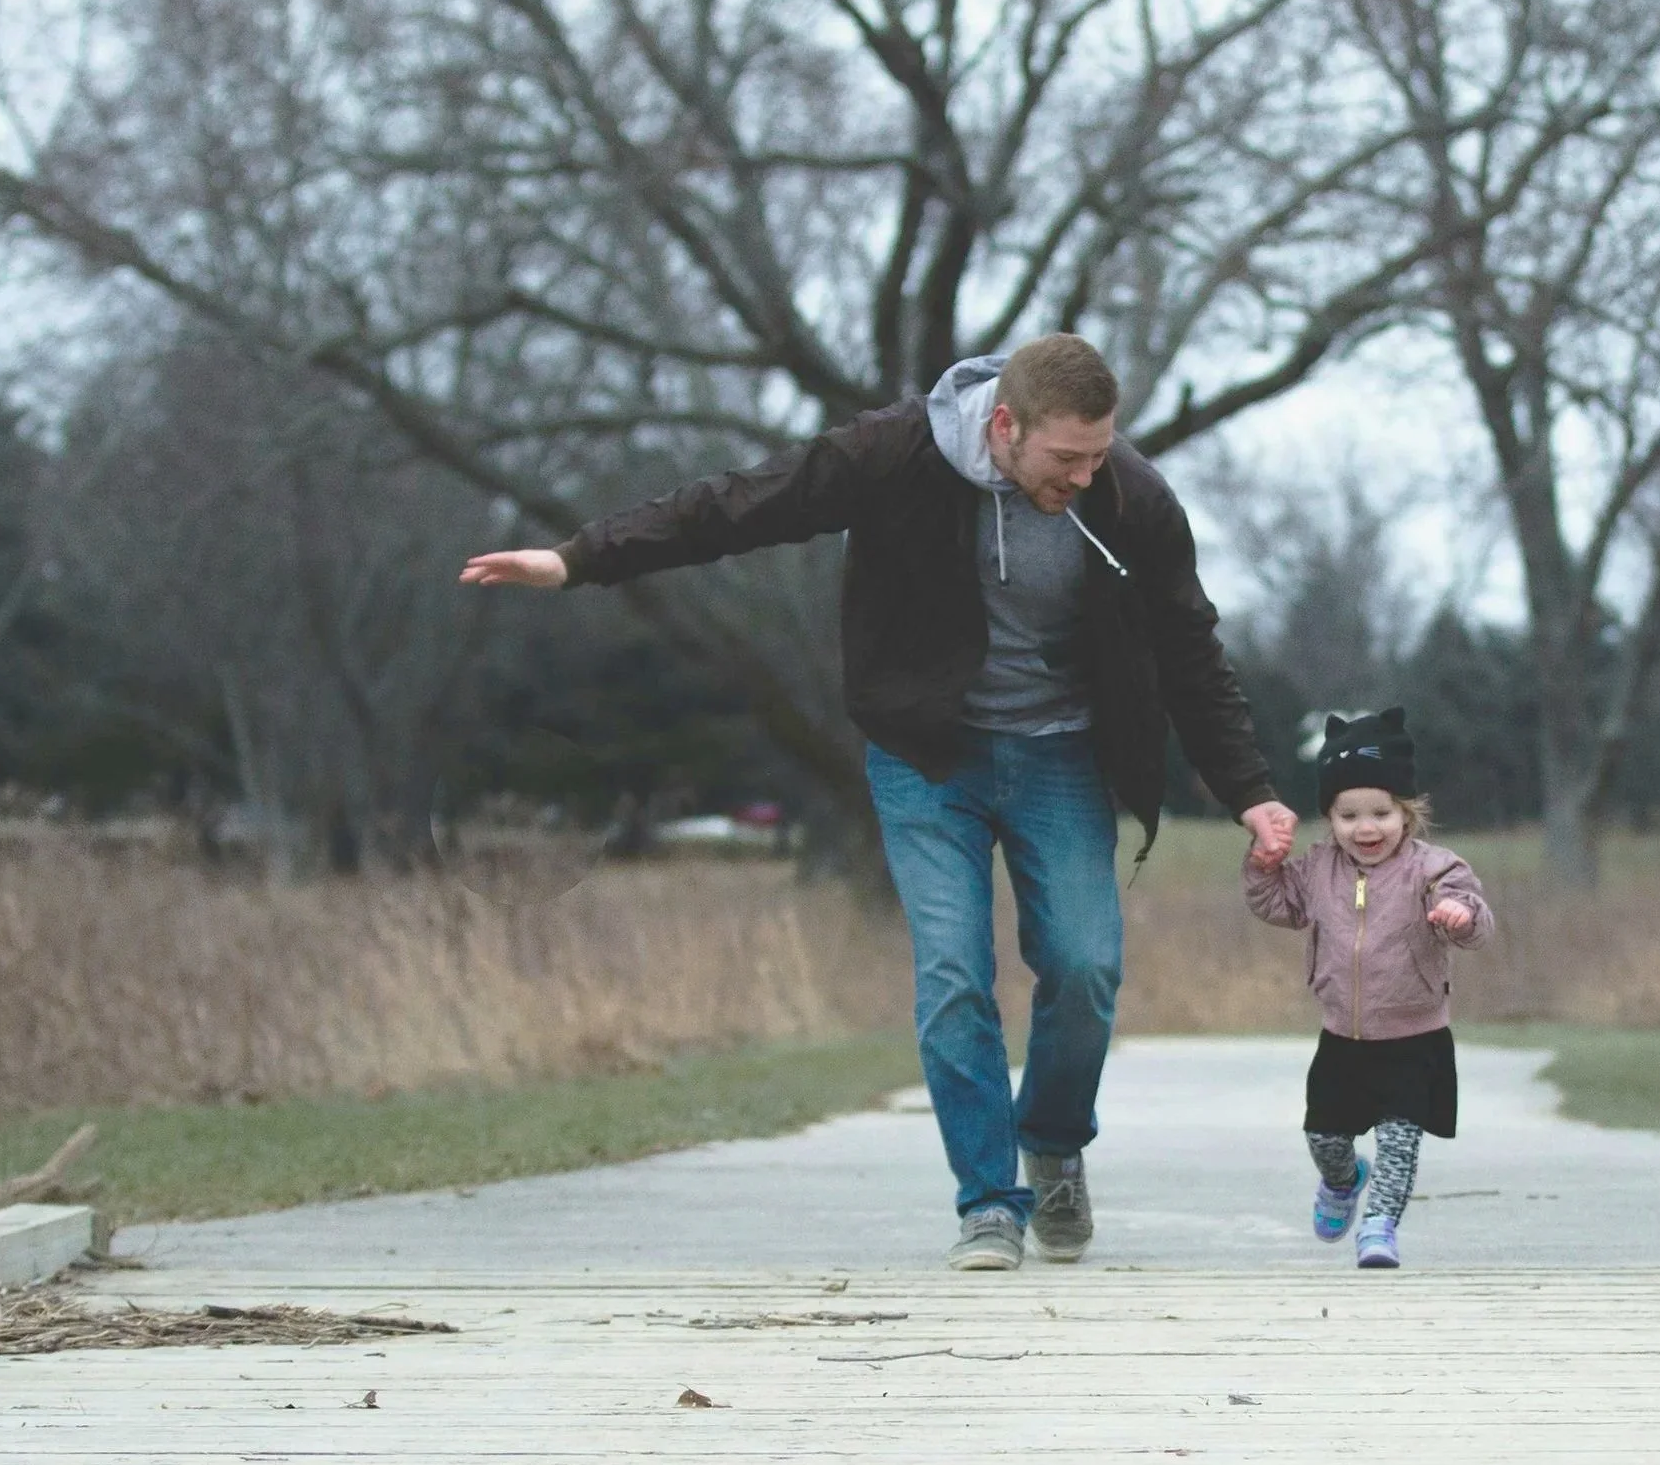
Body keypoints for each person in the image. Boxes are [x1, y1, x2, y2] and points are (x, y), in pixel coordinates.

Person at [460, 336, 1297, 1270]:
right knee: (952, 975)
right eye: (1066, 459)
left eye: (1099, 454)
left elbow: (1191, 646)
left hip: (1059, 753)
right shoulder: (894, 453)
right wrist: (578, 559)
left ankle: (1054, 1142)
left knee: (1085, 966)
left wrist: (1251, 794)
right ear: (1005, 425)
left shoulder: (1130, 497)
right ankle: (989, 1200)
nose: (1084, 476)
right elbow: (741, 505)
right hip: (925, 754)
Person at [1242, 708, 1492, 1269]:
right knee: (1325, 1139)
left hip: (1415, 1038)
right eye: (1348, 815)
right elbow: (1274, 905)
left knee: (1400, 1143)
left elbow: (1478, 920)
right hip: (1342, 1038)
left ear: (1407, 812)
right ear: (1329, 818)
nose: (1366, 828)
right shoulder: (1316, 870)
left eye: (1381, 812)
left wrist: (1460, 914)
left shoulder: (1434, 870)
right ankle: (1345, 1178)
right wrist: (1263, 868)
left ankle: (1379, 1229)